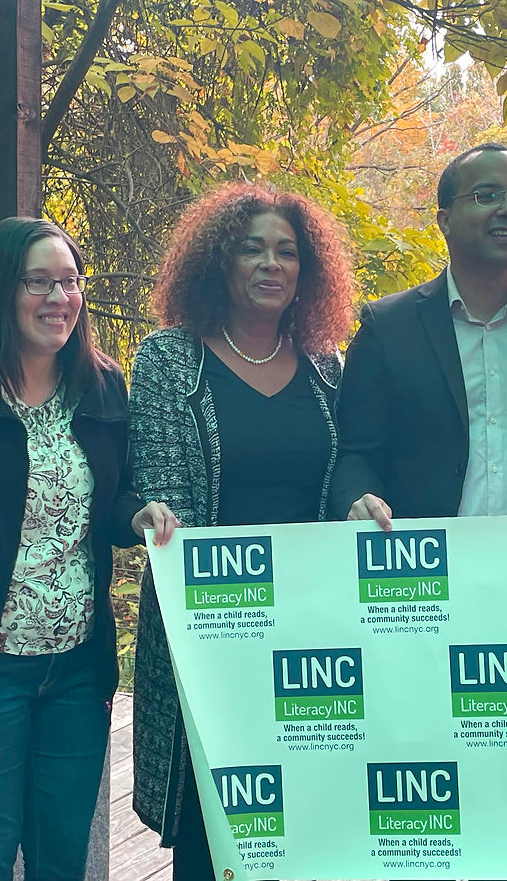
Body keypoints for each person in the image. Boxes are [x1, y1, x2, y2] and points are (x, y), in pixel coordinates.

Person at [0, 217, 177, 881]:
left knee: (60, 857)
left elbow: (109, 503)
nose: (60, 297)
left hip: (75, 669)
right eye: (38, 282)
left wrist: (139, 513)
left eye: (71, 282)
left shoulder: (101, 387)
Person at [128, 183, 355, 879]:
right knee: (212, 829)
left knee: (306, 829)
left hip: (310, 637)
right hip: (214, 633)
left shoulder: (326, 368)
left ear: (306, 271)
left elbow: (343, 481)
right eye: (251, 248)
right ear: (217, 262)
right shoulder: (170, 360)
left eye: (287, 252)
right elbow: (166, 493)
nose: (271, 264)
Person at [330, 143, 507, 528]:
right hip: (425, 565)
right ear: (444, 220)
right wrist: (358, 501)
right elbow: (355, 453)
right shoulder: (388, 327)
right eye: (487, 195)